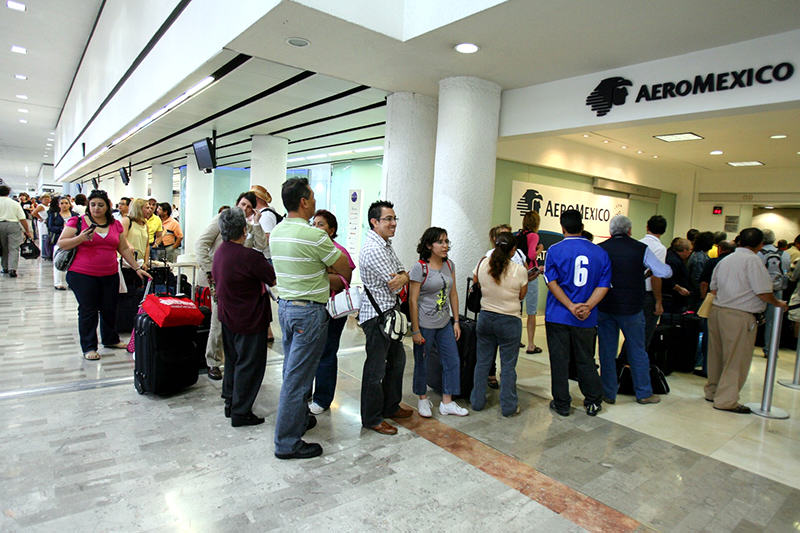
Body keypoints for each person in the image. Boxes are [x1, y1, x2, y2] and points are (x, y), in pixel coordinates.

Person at [270, 178, 351, 459]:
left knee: (292, 371)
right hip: (309, 312)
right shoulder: (315, 236)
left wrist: (319, 272)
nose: (315, 202)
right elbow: (344, 271)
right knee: (299, 379)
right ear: (303, 202)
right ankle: (287, 442)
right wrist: (325, 274)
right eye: (313, 197)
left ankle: (300, 419)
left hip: (286, 309)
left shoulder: (277, 232)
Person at [56, 190, 150, 360]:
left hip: (110, 273)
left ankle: (110, 339)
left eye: (100, 205)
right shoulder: (77, 221)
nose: (96, 208)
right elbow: (62, 243)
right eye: (93, 205)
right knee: (88, 310)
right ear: (88, 206)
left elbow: (122, 248)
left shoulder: (115, 225)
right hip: (82, 274)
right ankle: (89, 347)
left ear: (107, 207)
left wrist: (137, 267)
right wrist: (80, 238)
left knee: (110, 308)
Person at [706, 228, 787, 413]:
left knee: (716, 355)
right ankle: (726, 400)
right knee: (736, 359)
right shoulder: (753, 261)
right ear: (760, 244)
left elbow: (714, 287)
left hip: (718, 311)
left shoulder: (726, 260)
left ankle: (712, 391)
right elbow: (763, 291)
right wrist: (777, 303)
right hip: (739, 315)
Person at [212, 207, 277, 427]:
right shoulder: (249, 256)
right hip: (249, 318)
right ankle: (241, 411)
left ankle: (231, 402)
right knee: (250, 365)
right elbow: (271, 277)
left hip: (228, 315)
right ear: (243, 229)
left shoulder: (221, 252)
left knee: (233, 362)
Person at [597, 215, 671, 405]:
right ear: (630, 231)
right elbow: (664, 272)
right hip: (632, 307)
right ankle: (644, 393)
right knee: (637, 350)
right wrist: (645, 271)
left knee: (607, 351)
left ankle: (608, 393)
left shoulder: (601, 249)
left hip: (605, 306)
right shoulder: (640, 249)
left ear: (610, 232)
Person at [543, 209, 610, 417]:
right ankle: (593, 401)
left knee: (559, 360)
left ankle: (562, 404)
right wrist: (587, 306)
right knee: (585, 359)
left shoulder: (554, 250)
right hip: (586, 318)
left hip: (558, 315)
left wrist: (570, 306)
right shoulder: (600, 253)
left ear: (562, 228)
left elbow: (551, 282)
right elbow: (603, 285)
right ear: (582, 227)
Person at [196, 192, 267, 380]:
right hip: (219, 278)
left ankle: (231, 360)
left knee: (234, 322)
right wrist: (211, 271)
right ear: (237, 203)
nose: (244, 209)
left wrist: (257, 223)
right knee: (218, 320)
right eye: (242, 204)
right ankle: (213, 361)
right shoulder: (222, 219)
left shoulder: (249, 227)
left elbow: (262, 246)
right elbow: (201, 244)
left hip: (241, 284)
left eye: (249, 207)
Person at [358, 200, 411, 435]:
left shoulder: (385, 245)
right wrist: (403, 277)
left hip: (390, 315)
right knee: (375, 370)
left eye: (394, 218)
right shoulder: (374, 248)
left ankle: (390, 406)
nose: (393, 223)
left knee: (397, 362)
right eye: (388, 219)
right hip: (377, 317)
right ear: (374, 222)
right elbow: (395, 284)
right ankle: (372, 418)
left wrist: (404, 276)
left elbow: (402, 273)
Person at [409, 227, 469, 418]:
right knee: (422, 362)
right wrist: (416, 330)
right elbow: (413, 300)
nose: (445, 246)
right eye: (440, 242)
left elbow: (453, 293)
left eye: (446, 241)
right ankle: (422, 398)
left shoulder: (449, 265)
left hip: (444, 323)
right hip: (425, 324)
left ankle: (447, 402)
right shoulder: (420, 267)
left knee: (452, 360)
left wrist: (457, 321)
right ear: (429, 245)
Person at [470, 232, 528, 416]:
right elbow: (521, 296)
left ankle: (477, 401)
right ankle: (509, 407)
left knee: (482, 363)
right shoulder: (519, 270)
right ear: (513, 250)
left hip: (486, 317)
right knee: (508, 366)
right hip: (509, 320)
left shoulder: (482, 264)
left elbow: (476, 283)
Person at [307, 209, 356, 415]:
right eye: (314, 224)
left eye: (321, 224)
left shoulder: (339, 251)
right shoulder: (310, 249)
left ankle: (323, 399)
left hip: (333, 310)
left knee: (327, 352)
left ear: (332, 230)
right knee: (309, 353)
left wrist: (324, 275)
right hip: (312, 307)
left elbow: (345, 279)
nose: (316, 228)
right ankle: (306, 394)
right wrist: (328, 274)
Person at [483, 223, 526, 388]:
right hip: (495, 311)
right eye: (503, 236)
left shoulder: (519, 256)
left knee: (508, 359)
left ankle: (483, 398)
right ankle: (492, 375)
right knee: (493, 351)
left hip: (512, 310)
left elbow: (523, 280)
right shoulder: (488, 258)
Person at [696, 240, 736, 377]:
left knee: (710, 337)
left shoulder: (713, 262)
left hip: (713, 300)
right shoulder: (737, 264)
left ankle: (707, 369)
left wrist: (703, 298)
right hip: (733, 305)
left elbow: (704, 283)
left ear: (720, 249)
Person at [251, 184, 280, 342]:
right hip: (264, 259)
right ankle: (266, 330)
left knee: (261, 295)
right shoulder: (264, 214)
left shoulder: (266, 215)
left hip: (265, 259)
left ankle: (267, 330)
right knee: (262, 296)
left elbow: (266, 239)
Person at [518, 211, 544, 355]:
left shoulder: (519, 235)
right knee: (532, 311)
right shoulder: (534, 236)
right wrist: (539, 249)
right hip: (531, 275)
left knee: (518, 309)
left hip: (519, 275)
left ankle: (517, 340)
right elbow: (532, 255)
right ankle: (531, 344)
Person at [758, 229, 786, 358]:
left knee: (751, 318)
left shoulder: (758, 254)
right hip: (776, 291)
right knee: (772, 322)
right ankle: (770, 349)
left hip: (758, 291)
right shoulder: (784, 255)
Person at [0, 186, 33, 278]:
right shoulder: (15, 203)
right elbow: (22, 219)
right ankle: (12, 269)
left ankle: (5, 267)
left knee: (3, 248)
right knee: (13, 248)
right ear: (8, 192)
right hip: (13, 225)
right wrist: (27, 231)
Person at [48, 197, 78, 289]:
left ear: (69, 204)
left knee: (71, 261)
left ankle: (69, 282)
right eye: (62, 203)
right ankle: (58, 282)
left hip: (73, 240)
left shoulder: (75, 215)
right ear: (59, 205)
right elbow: (50, 227)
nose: (64, 205)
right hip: (58, 240)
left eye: (66, 203)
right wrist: (63, 229)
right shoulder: (54, 215)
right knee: (59, 260)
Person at [662, 238, 692, 317]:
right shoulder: (673, 261)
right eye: (690, 250)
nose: (690, 252)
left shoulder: (672, 256)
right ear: (684, 250)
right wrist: (680, 289)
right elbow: (668, 280)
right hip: (672, 298)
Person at [121, 199, 150, 274]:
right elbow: (122, 238)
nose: (149, 210)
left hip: (140, 264)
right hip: (126, 264)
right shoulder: (127, 221)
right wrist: (129, 245)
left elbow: (147, 246)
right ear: (139, 209)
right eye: (147, 208)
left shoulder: (145, 225)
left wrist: (146, 262)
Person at [687, 231, 714, 310]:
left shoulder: (699, 255)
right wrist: (703, 294)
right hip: (697, 294)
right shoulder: (700, 258)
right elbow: (697, 278)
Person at [32, 194, 52, 260]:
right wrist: (40, 218)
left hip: (48, 222)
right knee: (43, 236)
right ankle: (43, 251)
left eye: (48, 198)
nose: (47, 200)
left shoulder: (49, 206)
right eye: (45, 199)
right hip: (43, 223)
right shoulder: (41, 206)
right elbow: (34, 213)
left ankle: (46, 251)